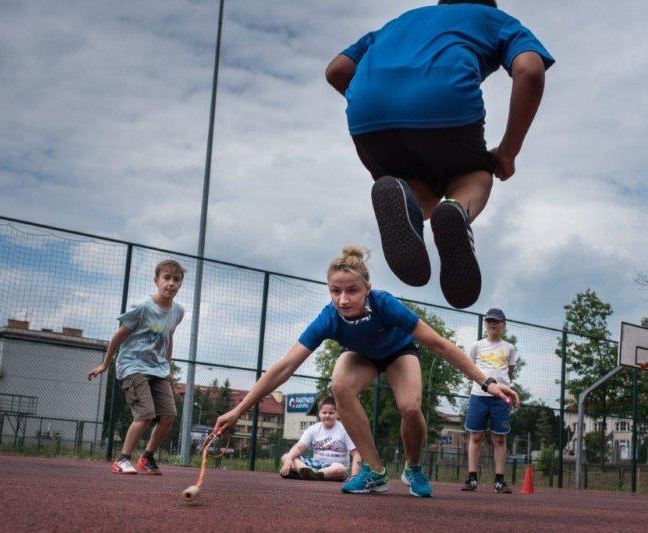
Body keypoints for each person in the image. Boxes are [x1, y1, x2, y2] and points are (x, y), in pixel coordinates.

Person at [214, 246, 519, 498]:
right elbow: (284, 367)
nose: (343, 299)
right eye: (335, 291)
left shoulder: (385, 304)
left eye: (352, 291)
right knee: (340, 385)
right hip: (362, 355)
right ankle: (373, 470)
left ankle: (413, 468)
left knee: (410, 407)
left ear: (367, 289)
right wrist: (238, 410)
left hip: (399, 352)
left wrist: (487, 382)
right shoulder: (329, 318)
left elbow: (440, 345)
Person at [325, 0, 554, 309]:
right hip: (444, 106)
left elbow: (337, 70)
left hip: (368, 116)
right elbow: (529, 69)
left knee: (415, 185)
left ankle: (410, 202)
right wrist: (509, 150)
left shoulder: (398, 23)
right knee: (475, 175)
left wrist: (382, 103)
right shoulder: (495, 19)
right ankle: (458, 210)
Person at [87, 259, 186, 475]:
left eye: (176, 280)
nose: (171, 283)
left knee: (169, 414)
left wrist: (167, 370)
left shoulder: (178, 311)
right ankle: (122, 460)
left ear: (180, 284)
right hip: (133, 366)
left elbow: (168, 338)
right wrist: (106, 363)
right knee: (146, 413)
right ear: (156, 281)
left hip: (158, 368)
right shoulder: (142, 308)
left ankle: (147, 458)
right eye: (166, 278)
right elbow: (118, 336)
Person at [461, 307, 517, 493]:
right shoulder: (476, 346)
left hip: (500, 399)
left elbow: (509, 372)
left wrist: (503, 388)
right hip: (478, 396)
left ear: (503, 324)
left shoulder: (509, 348)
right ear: (485, 324)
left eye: (496, 321)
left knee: (499, 438)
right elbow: (468, 370)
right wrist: (473, 377)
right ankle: (472, 478)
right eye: (489, 321)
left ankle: (500, 481)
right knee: (476, 436)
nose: (492, 324)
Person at [279, 396, 360, 482]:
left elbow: (356, 454)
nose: (327, 415)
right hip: (314, 464)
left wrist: (354, 478)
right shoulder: (313, 429)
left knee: (341, 469)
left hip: (334, 466)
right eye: (324, 412)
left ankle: (310, 474)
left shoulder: (344, 430)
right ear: (319, 413)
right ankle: (306, 471)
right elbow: (299, 447)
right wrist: (288, 461)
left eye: (331, 413)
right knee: (286, 456)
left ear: (338, 414)